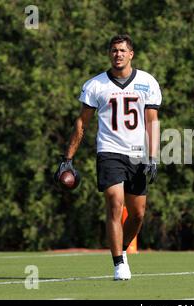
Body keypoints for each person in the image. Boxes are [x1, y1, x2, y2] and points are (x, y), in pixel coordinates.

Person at [55, 34, 162, 280]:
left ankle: (121, 251)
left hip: (137, 153)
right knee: (115, 203)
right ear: (109, 54)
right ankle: (118, 264)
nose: (118, 54)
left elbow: (151, 121)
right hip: (109, 151)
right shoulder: (96, 85)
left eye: (122, 50)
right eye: (114, 50)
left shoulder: (147, 82)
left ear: (131, 54)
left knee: (138, 214)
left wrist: (153, 156)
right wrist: (67, 158)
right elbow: (82, 123)